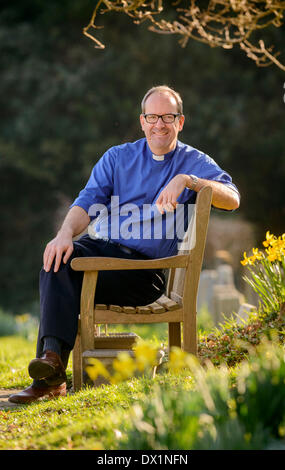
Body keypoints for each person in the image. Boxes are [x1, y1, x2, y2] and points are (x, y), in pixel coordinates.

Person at [9, 85, 240, 404]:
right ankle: (51, 364)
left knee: (66, 270)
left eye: (168, 116)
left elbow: (232, 199)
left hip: (142, 273)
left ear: (181, 121)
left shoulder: (193, 161)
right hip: (102, 253)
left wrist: (189, 180)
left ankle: (50, 377)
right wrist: (64, 234)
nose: (160, 123)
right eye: (153, 116)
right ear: (142, 121)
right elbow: (87, 202)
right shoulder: (117, 157)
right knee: (57, 258)